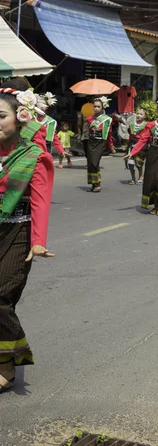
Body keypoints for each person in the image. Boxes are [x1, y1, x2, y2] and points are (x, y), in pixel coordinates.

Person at [0, 87, 54, 393]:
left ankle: (8, 362)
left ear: (20, 119)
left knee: (1, 296)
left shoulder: (33, 155)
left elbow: (40, 201)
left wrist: (38, 240)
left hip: (18, 233)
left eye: (1, 116)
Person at [86, 97, 114, 193]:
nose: (96, 108)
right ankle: (94, 183)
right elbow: (89, 131)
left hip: (100, 142)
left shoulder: (107, 120)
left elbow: (109, 133)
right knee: (91, 163)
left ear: (103, 107)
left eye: (98, 106)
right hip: (91, 142)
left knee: (94, 161)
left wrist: (111, 145)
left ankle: (98, 183)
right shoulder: (89, 119)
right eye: (95, 106)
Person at [126, 107, 148, 185]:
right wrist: (128, 145)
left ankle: (141, 176)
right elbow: (130, 135)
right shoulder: (132, 124)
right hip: (133, 144)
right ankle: (133, 178)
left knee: (138, 162)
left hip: (142, 146)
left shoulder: (146, 125)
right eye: (137, 113)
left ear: (145, 116)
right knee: (130, 163)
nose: (139, 115)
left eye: (141, 114)